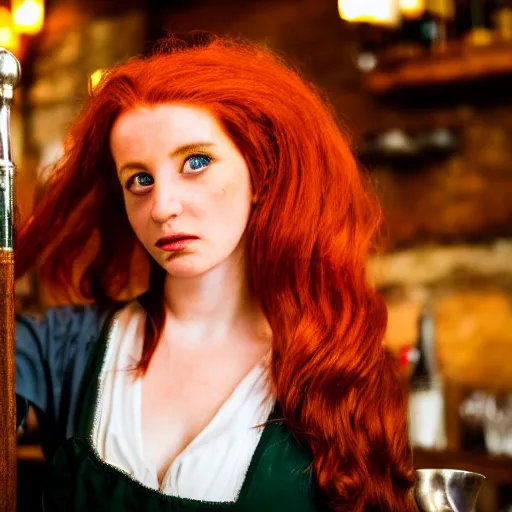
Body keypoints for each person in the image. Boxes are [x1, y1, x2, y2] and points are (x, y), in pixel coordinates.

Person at [14, 34, 418, 511]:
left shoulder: (336, 367)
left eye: (196, 162)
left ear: (261, 171)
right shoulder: (62, 348)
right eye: (139, 179)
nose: (162, 206)